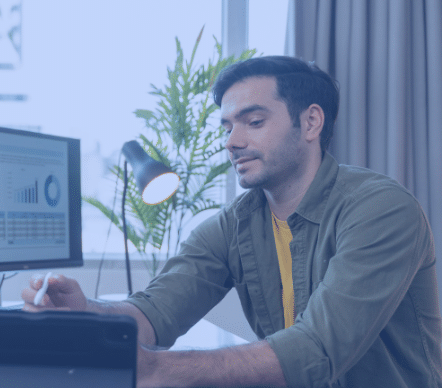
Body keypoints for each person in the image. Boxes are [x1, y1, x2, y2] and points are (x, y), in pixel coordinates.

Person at [23, 56, 442, 387]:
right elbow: (155, 313)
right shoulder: (232, 225)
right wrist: (86, 313)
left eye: (254, 122)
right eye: (227, 126)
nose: (231, 142)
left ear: (311, 122)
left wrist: (158, 370)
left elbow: (316, 351)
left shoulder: (381, 210)